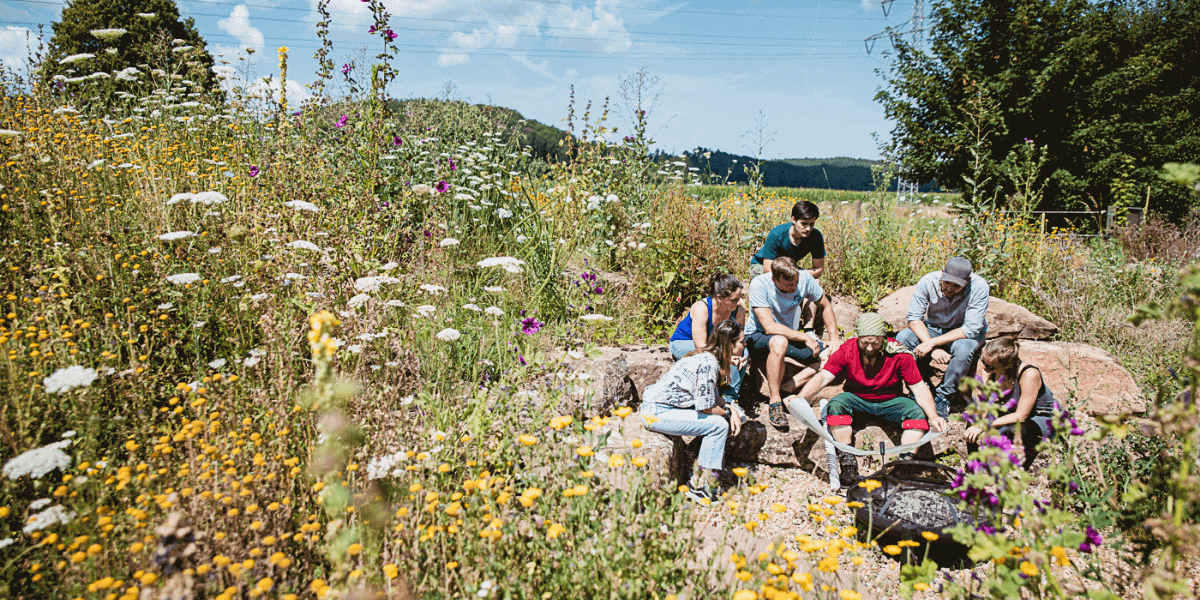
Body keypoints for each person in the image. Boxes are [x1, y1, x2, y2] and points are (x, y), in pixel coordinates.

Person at [791, 313, 948, 483]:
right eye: (865, 342)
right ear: (858, 337)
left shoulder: (900, 353)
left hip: (891, 400)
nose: (870, 348)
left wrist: (933, 416)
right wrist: (801, 397)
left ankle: (905, 464)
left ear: (884, 338)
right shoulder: (847, 349)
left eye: (875, 342)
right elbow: (824, 377)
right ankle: (847, 460)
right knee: (836, 404)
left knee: (916, 412)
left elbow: (918, 387)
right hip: (857, 398)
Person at [642, 319, 747, 504]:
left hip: (662, 408)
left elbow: (713, 395)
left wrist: (730, 407)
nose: (745, 345)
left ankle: (701, 478)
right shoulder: (708, 364)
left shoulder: (708, 357)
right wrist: (729, 414)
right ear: (730, 345)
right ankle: (701, 487)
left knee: (723, 419)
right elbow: (705, 407)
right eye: (741, 342)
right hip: (657, 413)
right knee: (719, 425)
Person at [745, 256, 841, 428]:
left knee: (832, 356)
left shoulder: (804, 278)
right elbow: (768, 327)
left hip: (789, 335)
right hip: (758, 335)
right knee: (779, 341)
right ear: (775, 279)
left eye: (795, 283)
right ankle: (775, 403)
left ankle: (788, 387)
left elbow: (825, 306)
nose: (794, 288)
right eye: (788, 285)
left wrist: (834, 339)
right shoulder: (760, 284)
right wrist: (805, 336)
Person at [895, 256, 989, 418]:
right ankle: (919, 384)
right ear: (942, 273)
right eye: (947, 283)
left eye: (956, 286)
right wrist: (933, 347)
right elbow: (914, 318)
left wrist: (931, 345)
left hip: (962, 333)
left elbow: (970, 329)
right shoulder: (927, 281)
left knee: (963, 349)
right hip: (934, 328)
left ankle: (944, 395)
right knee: (903, 337)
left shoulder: (979, 287)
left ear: (967, 281)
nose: (950, 289)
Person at [966, 337, 1062, 469]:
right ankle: (975, 465)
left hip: (1037, 416)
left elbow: (1021, 416)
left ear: (1006, 366)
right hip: (1009, 409)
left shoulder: (1029, 374)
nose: (984, 367)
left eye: (989, 366)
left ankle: (1016, 469)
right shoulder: (988, 368)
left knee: (1016, 430)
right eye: (983, 361)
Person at [668, 273, 748, 404]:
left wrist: (735, 355)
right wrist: (725, 357)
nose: (738, 302)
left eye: (739, 298)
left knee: (743, 352)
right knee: (707, 358)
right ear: (720, 298)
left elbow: (737, 339)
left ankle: (730, 399)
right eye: (734, 299)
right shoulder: (702, 308)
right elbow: (701, 346)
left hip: (715, 345)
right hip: (686, 342)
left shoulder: (738, 308)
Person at [750, 200, 826, 278]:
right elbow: (767, 269)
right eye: (804, 223)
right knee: (771, 282)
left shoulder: (816, 237)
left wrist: (796, 275)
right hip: (761, 264)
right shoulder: (777, 233)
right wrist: (792, 277)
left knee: (815, 282)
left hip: (787, 268)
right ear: (793, 219)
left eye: (811, 224)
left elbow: (818, 270)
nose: (808, 228)